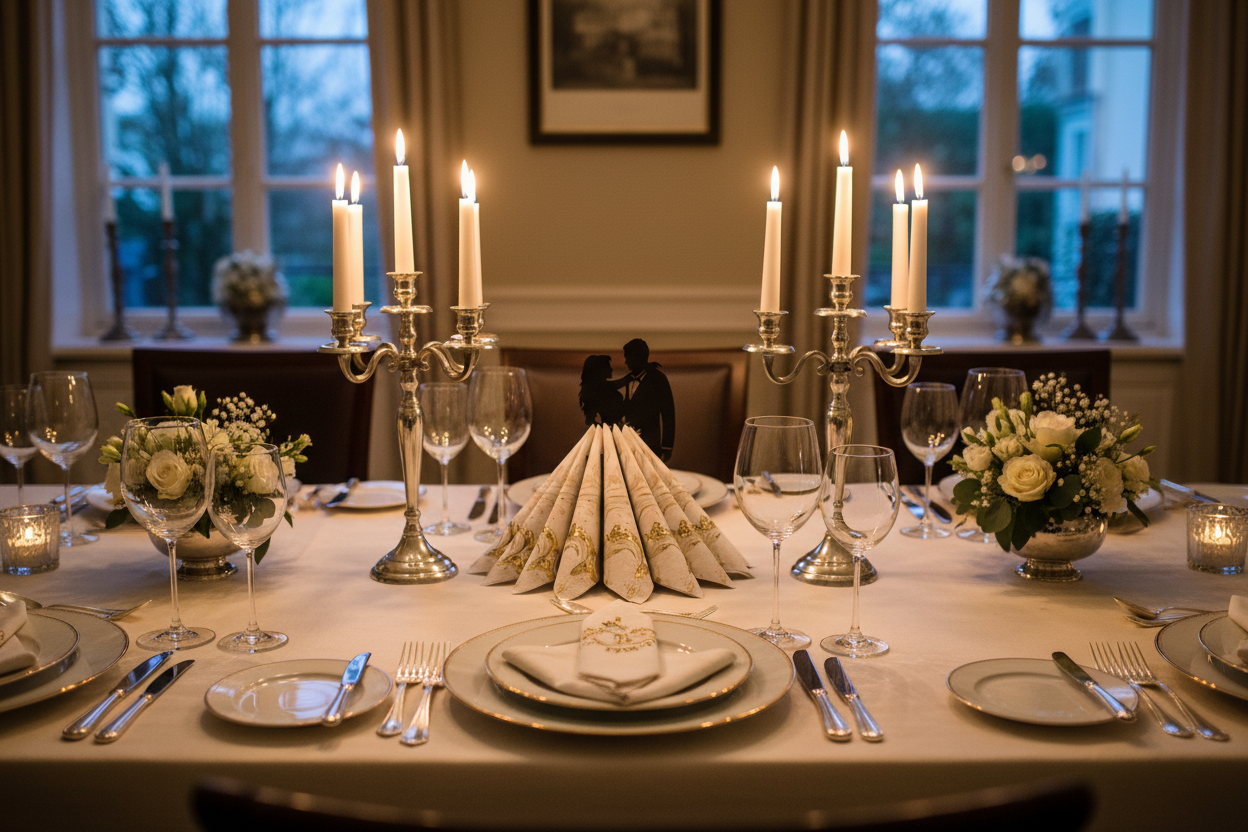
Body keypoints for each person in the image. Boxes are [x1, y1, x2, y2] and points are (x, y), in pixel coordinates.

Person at [620, 338, 674, 461]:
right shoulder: (629, 379)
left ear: (638, 357)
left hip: (650, 445)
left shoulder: (658, 379)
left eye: (628, 357)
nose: (626, 362)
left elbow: (668, 415)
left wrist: (666, 446)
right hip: (629, 445)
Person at [578, 354, 625, 427]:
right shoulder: (599, 388)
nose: (611, 369)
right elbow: (617, 384)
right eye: (608, 366)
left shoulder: (597, 388)